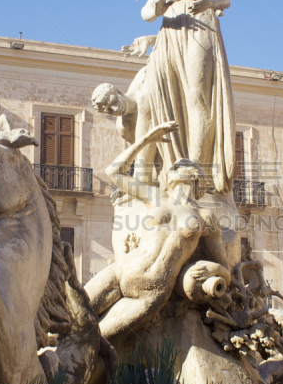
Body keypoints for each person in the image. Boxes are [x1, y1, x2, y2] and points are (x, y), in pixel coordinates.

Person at [119, 0, 235, 194]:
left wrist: (207, 2)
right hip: (168, 34)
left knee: (197, 96)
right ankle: (159, 169)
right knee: (159, 100)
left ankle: (193, 167)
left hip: (198, 29)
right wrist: (163, 2)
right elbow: (146, 12)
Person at [84, 120, 230, 343]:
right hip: (121, 271)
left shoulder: (205, 217)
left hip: (153, 291)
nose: (171, 171)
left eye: (178, 166)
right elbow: (113, 172)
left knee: (94, 340)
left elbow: (225, 270)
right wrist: (147, 140)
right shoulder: (155, 197)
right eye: (173, 168)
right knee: (70, 319)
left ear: (194, 175)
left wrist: (213, 271)